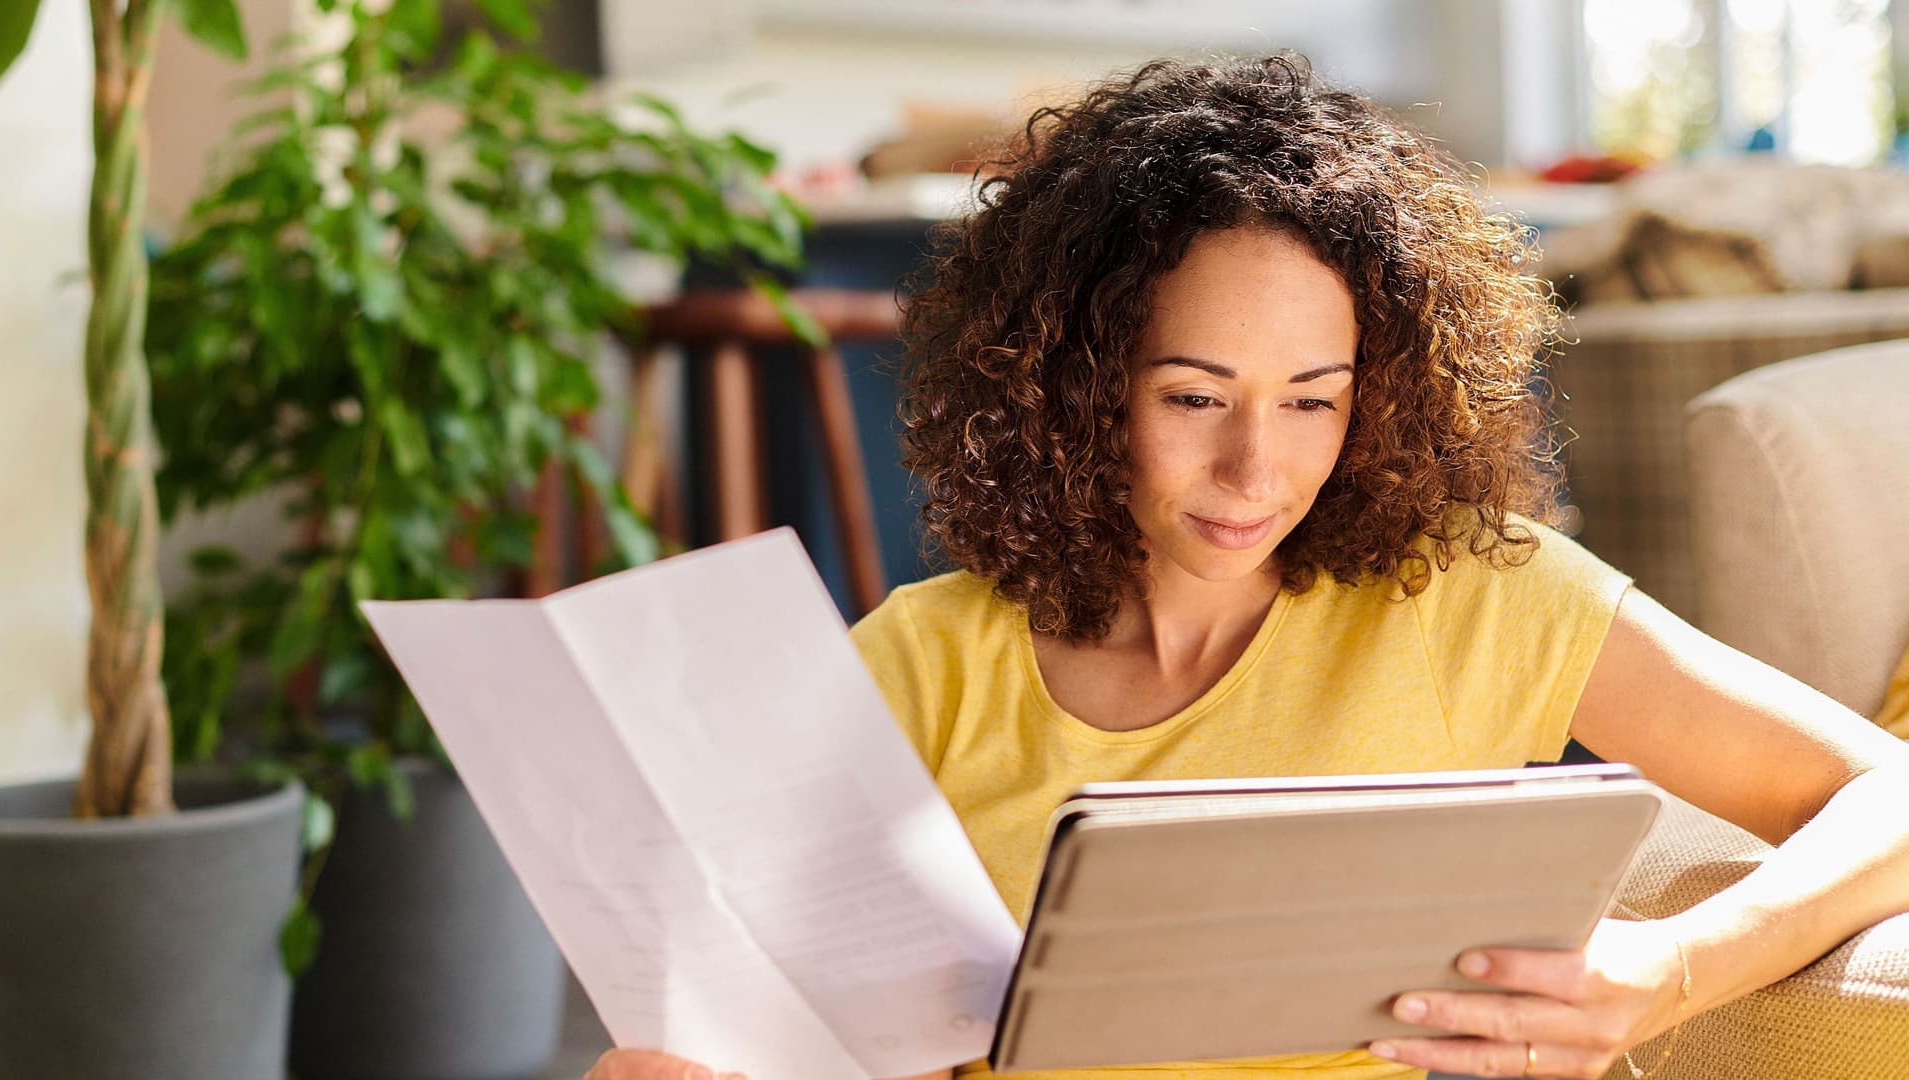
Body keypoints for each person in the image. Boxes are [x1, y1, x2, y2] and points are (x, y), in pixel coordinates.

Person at [589, 54, 1909, 1080]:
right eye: (1194, 397)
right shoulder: (922, 661)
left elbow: (1887, 796)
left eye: (1313, 401)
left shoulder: (1478, 597)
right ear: (1076, 387)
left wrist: (1672, 967)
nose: (1255, 472)